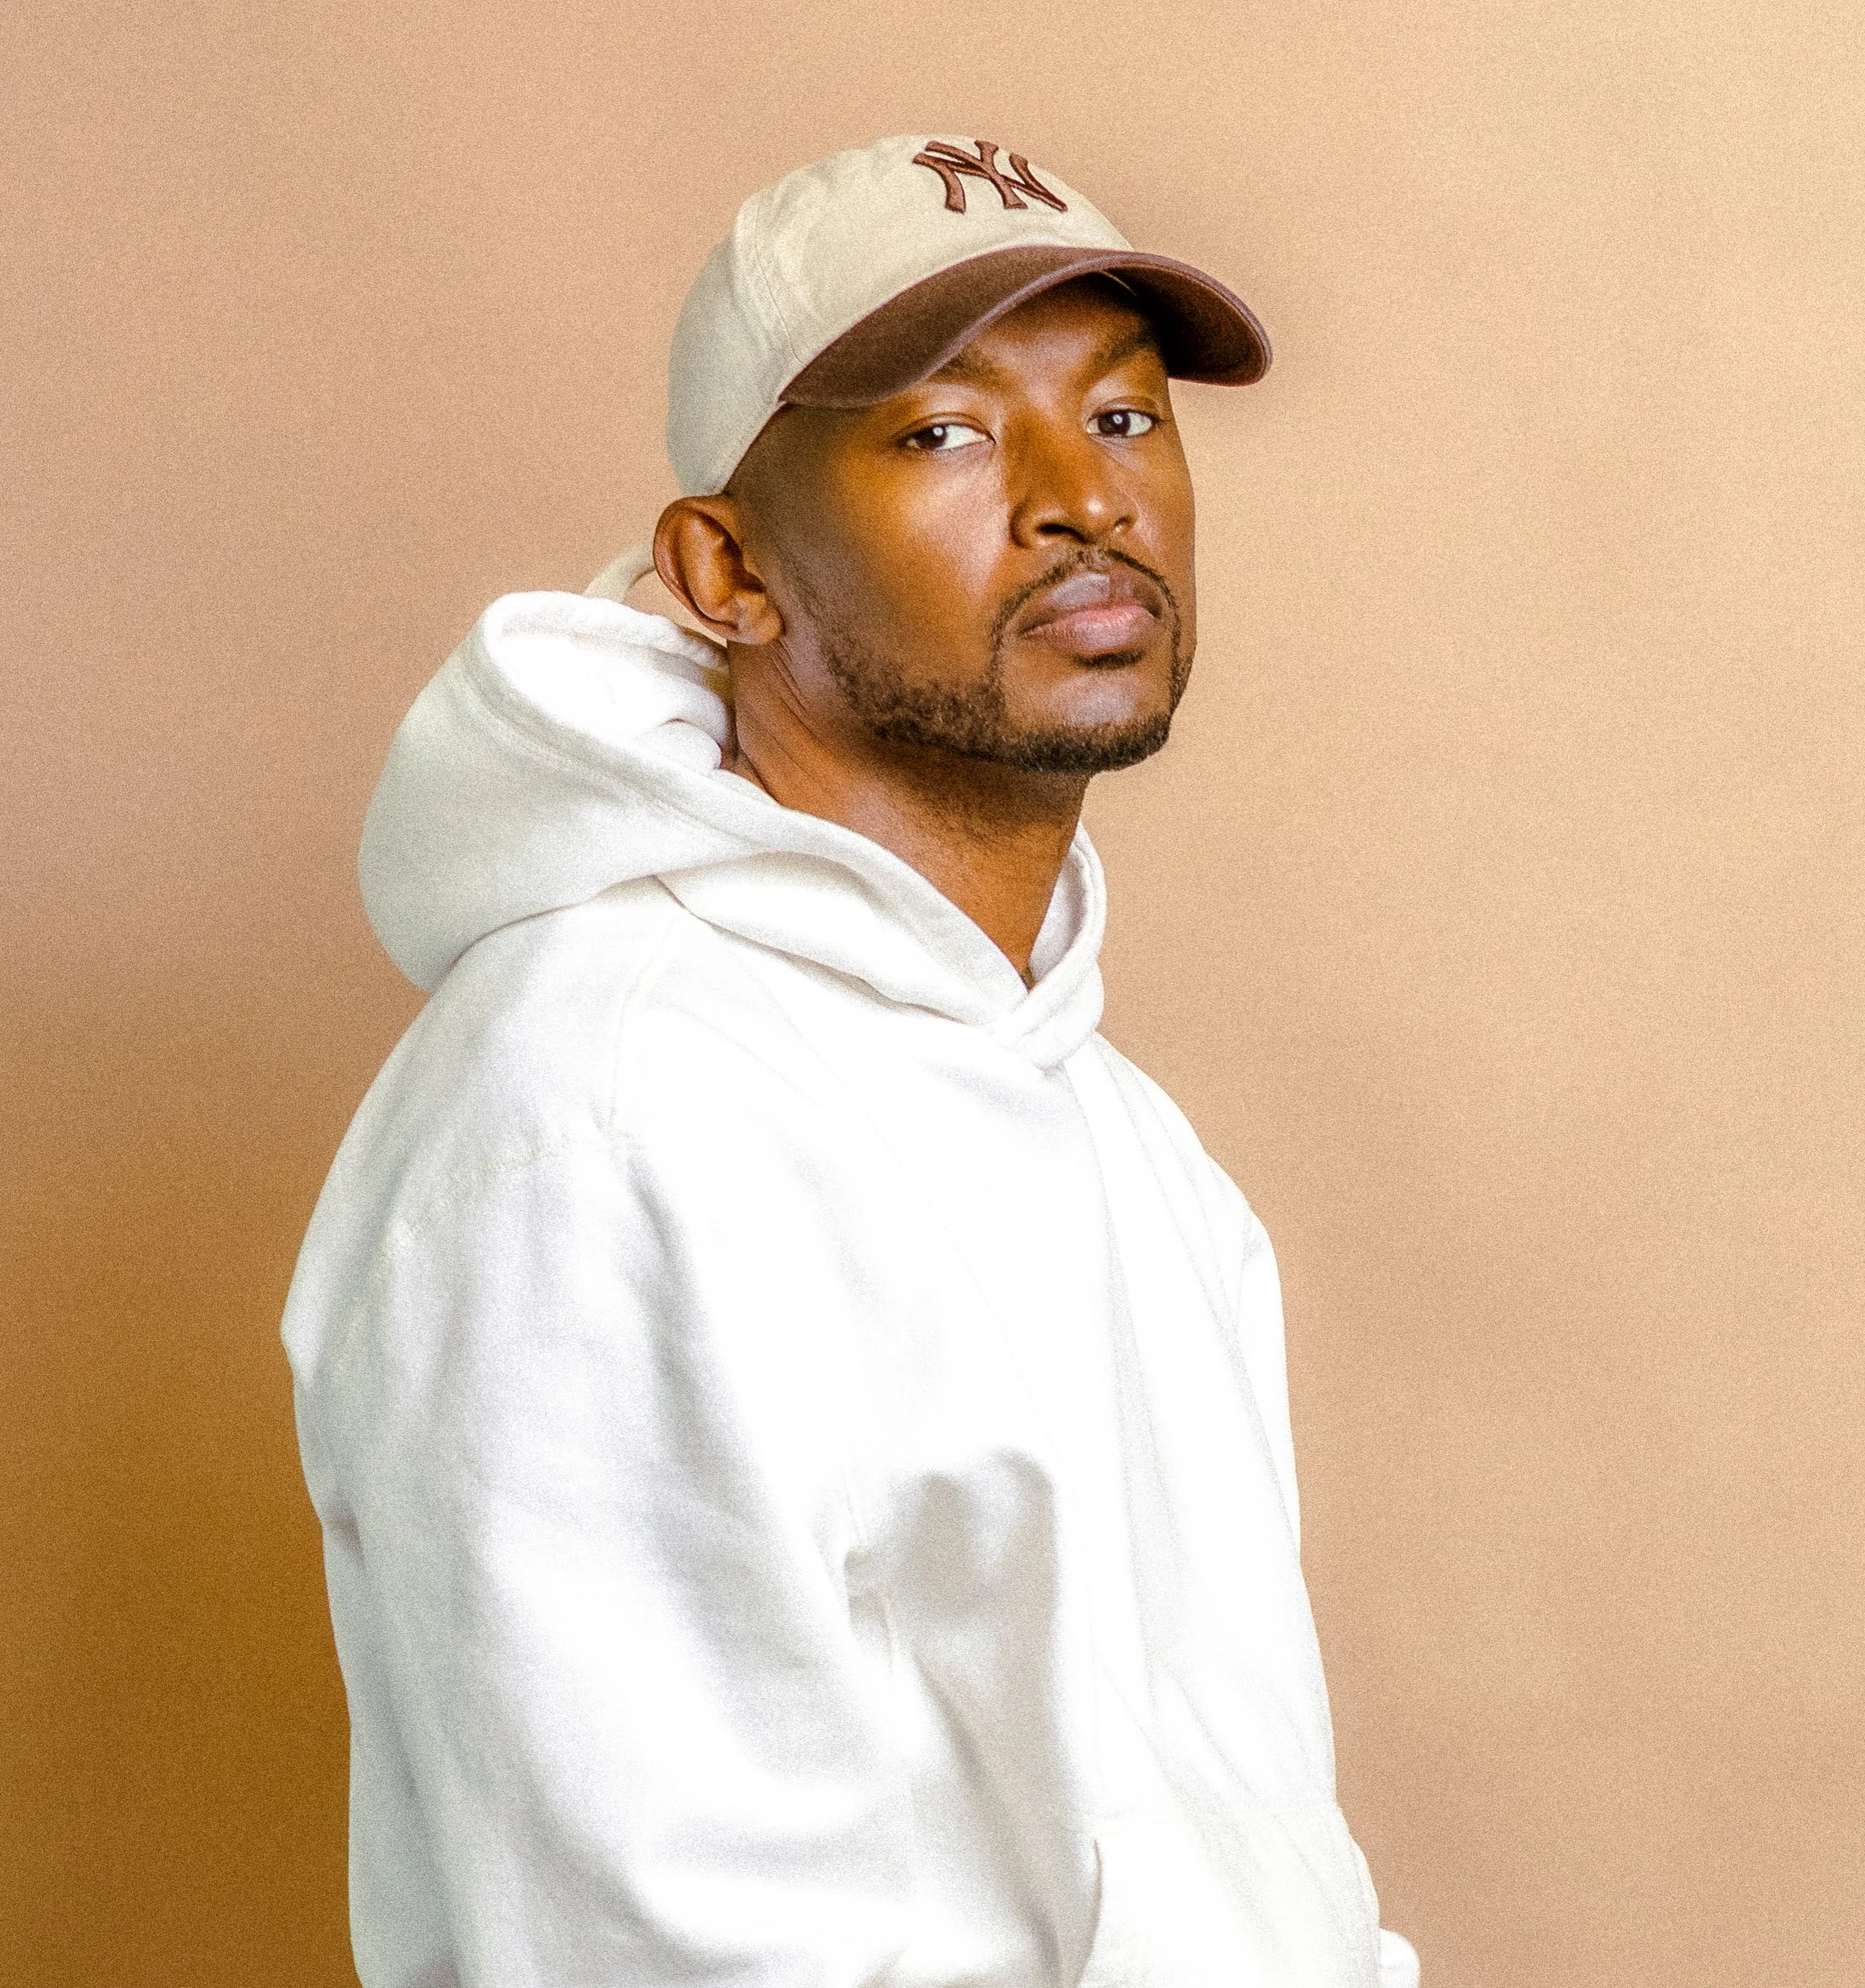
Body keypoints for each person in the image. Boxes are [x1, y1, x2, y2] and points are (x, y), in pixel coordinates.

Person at [282, 133, 1420, 1988]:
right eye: (947, 434)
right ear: (724, 570)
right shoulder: (598, 1121)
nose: (1080, 501)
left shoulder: (1123, 1140)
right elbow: (637, 1948)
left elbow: (1253, 1846)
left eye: (1124, 418)